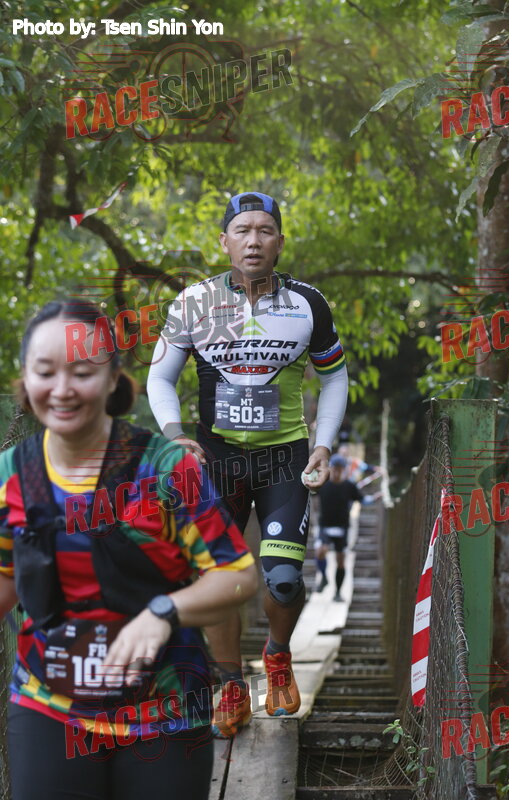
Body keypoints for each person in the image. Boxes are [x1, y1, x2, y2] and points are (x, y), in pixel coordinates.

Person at [0, 300, 257, 800]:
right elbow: (7, 578)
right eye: (45, 372)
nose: (62, 389)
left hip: (164, 715)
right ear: (25, 381)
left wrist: (164, 611)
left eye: (81, 372)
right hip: (48, 708)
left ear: (113, 378)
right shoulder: (11, 475)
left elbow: (238, 575)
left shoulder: (164, 468)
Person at [147, 191, 348, 735]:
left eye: (264, 230)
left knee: (283, 580)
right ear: (224, 241)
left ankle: (278, 656)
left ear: (280, 241)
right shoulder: (194, 302)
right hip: (216, 460)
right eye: (242, 230)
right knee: (217, 578)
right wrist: (174, 435)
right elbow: (160, 376)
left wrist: (324, 443)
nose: (253, 240)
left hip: (285, 459)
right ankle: (231, 684)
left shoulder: (308, 303)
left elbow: (335, 377)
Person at [315, 454, 377, 601]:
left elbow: (362, 500)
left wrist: (375, 498)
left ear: (344, 470)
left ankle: (338, 593)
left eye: (340, 469)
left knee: (341, 560)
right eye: (335, 468)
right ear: (330, 468)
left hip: (342, 528)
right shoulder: (323, 484)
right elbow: (309, 494)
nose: (337, 472)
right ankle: (323, 577)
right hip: (325, 526)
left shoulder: (349, 486)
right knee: (321, 551)